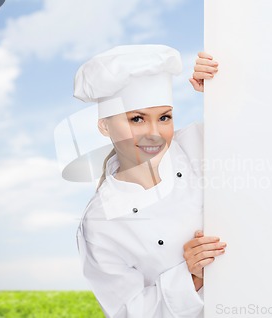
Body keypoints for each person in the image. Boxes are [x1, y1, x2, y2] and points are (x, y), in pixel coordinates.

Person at [74, 44, 221, 318]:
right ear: (104, 125)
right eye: (137, 119)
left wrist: (220, 92)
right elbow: (127, 312)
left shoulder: (197, 145)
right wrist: (191, 276)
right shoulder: (100, 223)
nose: (154, 134)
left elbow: (259, 131)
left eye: (164, 117)